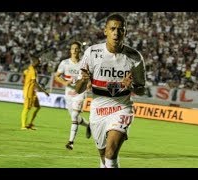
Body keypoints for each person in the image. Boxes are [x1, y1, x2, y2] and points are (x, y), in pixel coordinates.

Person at [75, 13, 146, 168]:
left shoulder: (135, 57)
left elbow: (142, 90)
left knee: (111, 152)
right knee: (103, 156)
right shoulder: (92, 53)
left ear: (125, 32)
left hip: (122, 108)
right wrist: (83, 80)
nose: (116, 32)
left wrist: (132, 87)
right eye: (112, 28)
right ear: (105, 31)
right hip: (98, 110)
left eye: (120, 29)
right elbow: (78, 89)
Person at [54, 41, 91, 150]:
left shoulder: (84, 63)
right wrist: (65, 83)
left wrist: (89, 83)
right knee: (75, 118)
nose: (74, 50)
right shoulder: (64, 63)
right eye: (72, 48)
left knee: (74, 116)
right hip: (69, 93)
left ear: (80, 50)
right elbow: (57, 76)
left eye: (76, 48)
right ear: (70, 50)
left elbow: (91, 75)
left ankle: (70, 142)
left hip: (80, 92)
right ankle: (89, 125)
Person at [21, 56, 49, 130]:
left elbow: (24, 73)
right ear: (35, 62)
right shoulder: (32, 71)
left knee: (37, 107)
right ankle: (23, 126)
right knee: (27, 108)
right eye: (38, 62)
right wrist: (44, 91)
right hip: (28, 91)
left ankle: (30, 124)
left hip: (33, 91)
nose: (39, 63)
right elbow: (35, 83)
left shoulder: (31, 69)